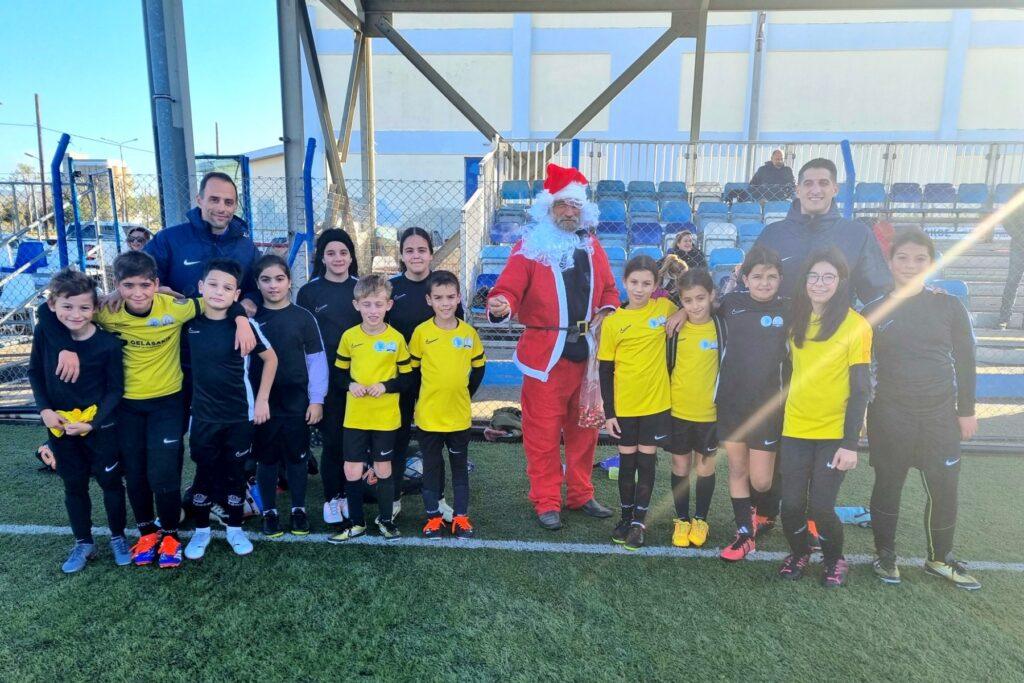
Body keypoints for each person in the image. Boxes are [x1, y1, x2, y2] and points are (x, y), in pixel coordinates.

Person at [35, 251, 255, 569]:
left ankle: (170, 535)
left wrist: (241, 319)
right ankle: (147, 533)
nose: (137, 293)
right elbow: (49, 310)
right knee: (135, 473)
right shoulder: (106, 311)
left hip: (167, 403)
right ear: (116, 285)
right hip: (126, 406)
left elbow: (219, 301)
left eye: (145, 285)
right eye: (128, 286)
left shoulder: (175, 307)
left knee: (163, 472)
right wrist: (66, 346)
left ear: (156, 283)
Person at [487, 163, 620, 530]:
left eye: (575, 205)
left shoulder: (592, 247)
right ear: (548, 207)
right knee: (542, 435)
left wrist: (608, 310)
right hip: (545, 356)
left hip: (587, 356)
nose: (569, 212)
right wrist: (501, 304)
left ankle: (580, 493)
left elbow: (610, 291)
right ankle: (546, 500)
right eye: (562, 204)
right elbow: (507, 289)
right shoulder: (529, 247)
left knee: (585, 431)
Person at [863, 229, 980, 590]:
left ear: (930, 263)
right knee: (888, 484)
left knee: (944, 487)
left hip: (940, 415)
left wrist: (967, 410)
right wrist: (860, 413)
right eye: (902, 257)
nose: (910, 265)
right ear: (890, 261)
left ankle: (939, 558)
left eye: (919, 259)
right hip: (890, 414)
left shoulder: (949, 306)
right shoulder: (873, 310)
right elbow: (856, 367)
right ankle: (885, 555)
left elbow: (966, 361)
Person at [778, 248, 872, 588]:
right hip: (795, 428)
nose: (819, 283)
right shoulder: (796, 319)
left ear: (841, 282)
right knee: (790, 505)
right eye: (813, 276)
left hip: (834, 433)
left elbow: (861, 390)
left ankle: (834, 559)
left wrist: (850, 444)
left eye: (828, 277)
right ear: (804, 280)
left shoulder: (856, 326)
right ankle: (799, 552)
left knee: (820, 506)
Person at [28, 269, 128, 573]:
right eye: (67, 306)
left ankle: (119, 537)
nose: (75, 314)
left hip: (100, 428)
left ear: (95, 308)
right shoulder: (45, 334)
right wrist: (44, 410)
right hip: (59, 427)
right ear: (53, 305)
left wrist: (93, 423)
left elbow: (115, 390)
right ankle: (84, 542)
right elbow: (35, 372)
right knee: (74, 485)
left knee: (111, 483)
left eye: (84, 307)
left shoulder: (108, 344)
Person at [184, 259, 277, 561]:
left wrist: (262, 400)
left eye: (227, 288)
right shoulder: (189, 324)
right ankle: (201, 531)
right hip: (203, 416)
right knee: (204, 473)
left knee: (236, 474)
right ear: (201, 287)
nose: (218, 292)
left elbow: (271, 359)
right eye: (212, 285)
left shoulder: (246, 325)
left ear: (236, 294)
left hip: (239, 415)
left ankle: (235, 528)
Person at [715, 246, 788, 562]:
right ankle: (745, 533)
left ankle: (764, 510)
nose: (764, 283)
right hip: (731, 403)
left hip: (767, 407)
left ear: (780, 279)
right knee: (737, 468)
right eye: (757, 276)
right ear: (745, 279)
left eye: (771, 277)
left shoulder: (790, 308)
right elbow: (697, 308)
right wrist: (678, 313)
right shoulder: (731, 303)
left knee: (761, 479)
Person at [328, 274, 414, 542]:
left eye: (378, 304)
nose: (373, 310)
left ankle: (386, 520)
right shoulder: (349, 337)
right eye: (367, 304)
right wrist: (350, 384)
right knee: (352, 470)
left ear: (389, 305)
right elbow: (338, 374)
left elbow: (408, 379)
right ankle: (357, 523)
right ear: (357, 305)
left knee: (383, 468)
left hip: (385, 418)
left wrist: (385, 386)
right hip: (355, 417)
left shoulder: (396, 339)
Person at [598, 255, 675, 551]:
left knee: (646, 462)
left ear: (655, 285)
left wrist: (681, 315)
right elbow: (605, 370)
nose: (639, 289)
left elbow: (691, 307)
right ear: (624, 282)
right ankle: (626, 517)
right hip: (625, 407)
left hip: (655, 404)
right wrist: (610, 413)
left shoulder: (664, 308)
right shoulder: (613, 322)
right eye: (634, 282)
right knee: (627, 463)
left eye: (646, 283)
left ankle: (639, 523)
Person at [386, 227, 464, 522]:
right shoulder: (391, 288)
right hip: (400, 378)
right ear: (402, 255)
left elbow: (459, 333)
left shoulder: (443, 287)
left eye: (422, 250)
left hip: (435, 382)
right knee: (397, 438)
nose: (416, 255)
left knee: (434, 441)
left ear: (431, 253)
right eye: (409, 250)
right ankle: (393, 498)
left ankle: (439, 498)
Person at [251, 255, 328, 538]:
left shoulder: (304, 318)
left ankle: (298, 509)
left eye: (279, 279)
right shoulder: (250, 319)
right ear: (257, 284)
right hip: (263, 402)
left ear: (289, 282)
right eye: (266, 280)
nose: (273, 285)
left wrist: (316, 399)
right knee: (267, 458)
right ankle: (269, 512)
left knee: (297, 457)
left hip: (297, 400)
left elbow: (317, 360)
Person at [409, 270, 486, 539]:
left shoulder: (468, 333)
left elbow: (478, 368)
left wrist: (464, 393)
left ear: (459, 298)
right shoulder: (421, 333)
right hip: (429, 417)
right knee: (431, 468)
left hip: (458, 417)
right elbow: (413, 373)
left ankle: (461, 518)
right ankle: (433, 517)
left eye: (450, 297)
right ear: (429, 300)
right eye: (439, 298)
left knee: (459, 468)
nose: (445, 303)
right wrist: (422, 399)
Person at [754, 158, 891, 302]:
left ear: (835, 189)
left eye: (823, 183)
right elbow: (750, 286)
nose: (815, 190)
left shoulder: (857, 234)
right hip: (782, 317)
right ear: (798, 190)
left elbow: (878, 295)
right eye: (808, 183)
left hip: (836, 317)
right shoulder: (772, 234)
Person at [296, 228, 361, 525]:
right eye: (331, 253)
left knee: (355, 441)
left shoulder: (361, 288)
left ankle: (352, 493)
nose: (338, 258)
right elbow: (303, 339)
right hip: (326, 380)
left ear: (351, 256)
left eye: (343, 252)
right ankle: (332, 497)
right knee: (334, 440)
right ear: (321, 257)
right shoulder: (309, 292)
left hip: (360, 379)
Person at [666, 269, 723, 549]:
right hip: (678, 411)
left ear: (711, 295)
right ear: (681, 301)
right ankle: (681, 519)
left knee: (704, 467)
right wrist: (679, 312)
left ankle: (700, 519)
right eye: (687, 301)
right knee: (680, 465)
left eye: (700, 298)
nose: (695, 305)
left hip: (710, 414)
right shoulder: (675, 329)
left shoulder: (722, 327)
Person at [144, 172, 260, 305]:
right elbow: (138, 276)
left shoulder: (248, 249)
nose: (221, 208)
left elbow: (258, 288)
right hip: (179, 317)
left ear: (235, 206)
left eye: (228, 202)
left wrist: (251, 301)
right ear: (199, 200)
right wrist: (156, 289)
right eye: (214, 200)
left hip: (230, 318)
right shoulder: (168, 239)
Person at [997, 203, 1024, 329]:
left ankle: (1004, 318)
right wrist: (1019, 235)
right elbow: (1006, 218)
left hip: (1018, 244)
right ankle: (1004, 318)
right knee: (1012, 282)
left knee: (1012, 283)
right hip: (1018, 245)